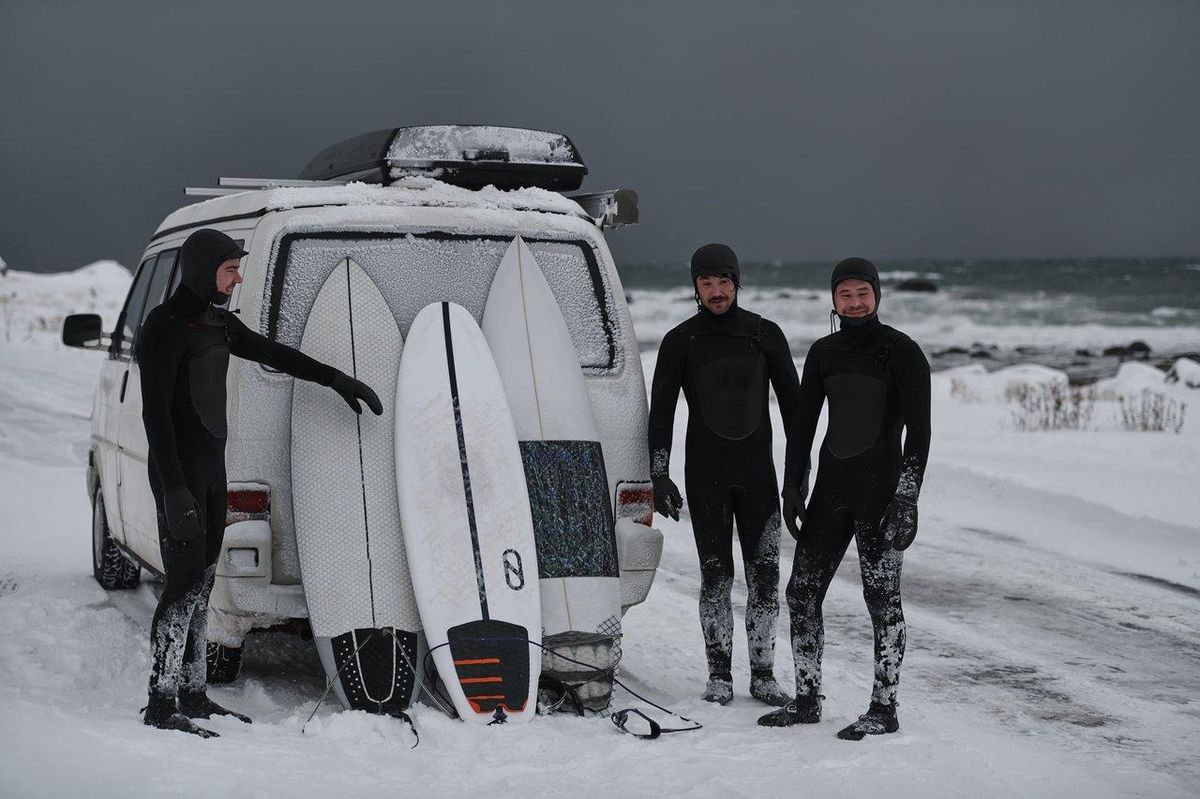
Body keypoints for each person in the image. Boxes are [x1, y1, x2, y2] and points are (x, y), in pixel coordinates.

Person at [137, 228, 382, 737]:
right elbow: (155, 419)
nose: (237, 277)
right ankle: (161, 703)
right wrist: (174, 490)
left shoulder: (218, 324)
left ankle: (193, 691)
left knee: (202, 585)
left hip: (211, 472)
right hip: (178, 476)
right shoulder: (164, 327)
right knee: (181, 587)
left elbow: (279, 354)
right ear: (206, 270)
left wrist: (338, 380)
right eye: (230, 269)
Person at [758, 257, 930, 740]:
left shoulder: (903, 351)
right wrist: (795, 485)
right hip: (832, 492)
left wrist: (907, 497)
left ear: (877, 295)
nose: (854, 303)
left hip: (882, 496)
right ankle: (808, 698)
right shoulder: (823, 353)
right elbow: (804, 425)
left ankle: (884, 707)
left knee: (882, 601)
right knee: (802, 593)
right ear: (833, 299)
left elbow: (920, 435)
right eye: (845, 295)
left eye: (863, 294)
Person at [647, 243, 801, 706]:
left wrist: (796, 480)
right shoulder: (680, 341)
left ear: (737, 282)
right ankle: (718, 674)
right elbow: (661, 414)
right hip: (706, 475)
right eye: (707, 282)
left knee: (766, 576)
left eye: (724, 282)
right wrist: (660, 475)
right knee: (715, 575)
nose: (716, 291)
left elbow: (797, 413)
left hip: (759, 476)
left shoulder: (764, 334)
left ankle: (763, 674)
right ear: (695, 285)